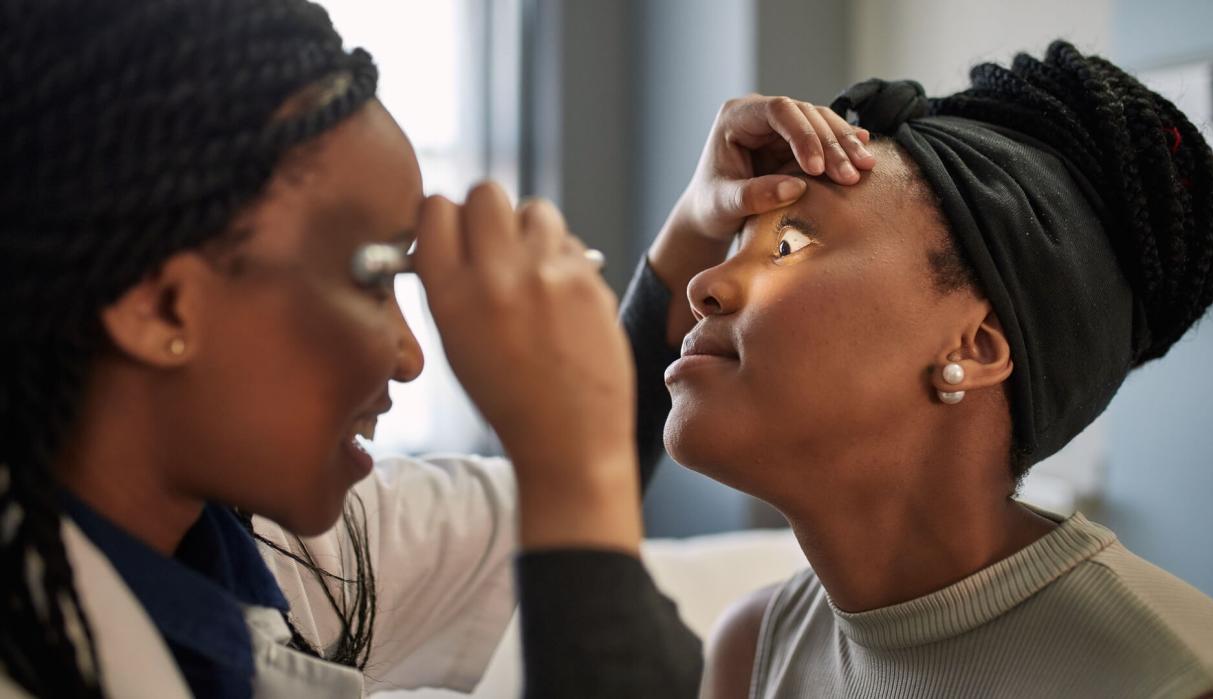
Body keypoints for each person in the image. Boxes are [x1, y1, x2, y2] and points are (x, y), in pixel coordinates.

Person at [0, 1, 872, 696]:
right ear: (160, 305)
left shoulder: (281, 545)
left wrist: (687, 237)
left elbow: (559, 527)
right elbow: (571, 517)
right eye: (375, 276)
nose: (412, 357)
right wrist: (570, 462)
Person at [628, 41, 1213, 698]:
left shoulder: (1178, 679)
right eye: (732, 241)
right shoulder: (752, 651)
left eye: (787, 243)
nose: (704, 282)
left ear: (974, 346)